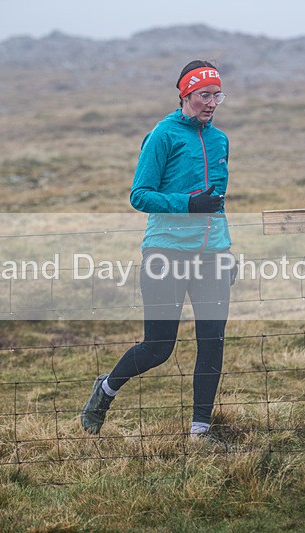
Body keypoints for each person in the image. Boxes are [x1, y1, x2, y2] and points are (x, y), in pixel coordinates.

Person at [81, 59, 234, 440]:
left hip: (212, 255)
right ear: (185, 95)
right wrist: (186, 204)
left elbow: (217, 202)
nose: (211, 102)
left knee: (212, 343)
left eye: (217, 95)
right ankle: (105, 390)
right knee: (158, 347)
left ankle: (200, 430)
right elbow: (140, 195)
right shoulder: (163, 135)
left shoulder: (220, 140)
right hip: (166, 253)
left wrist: (226, 248)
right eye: (203, 95)